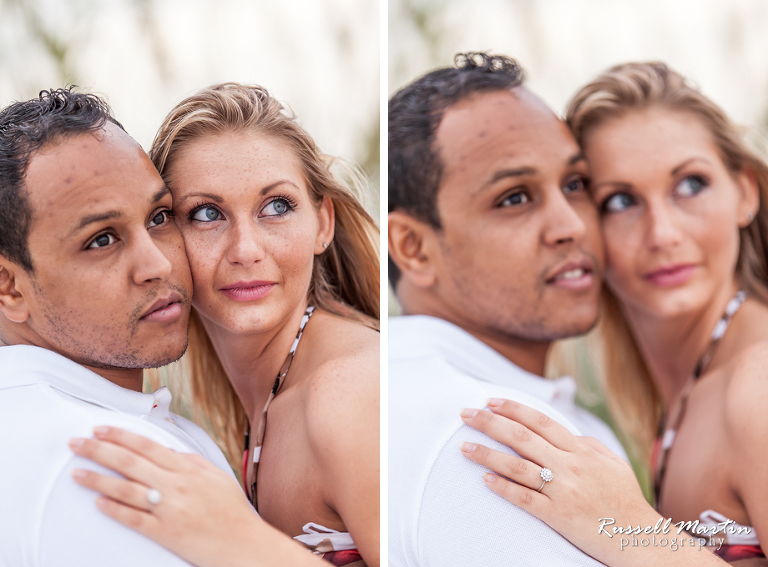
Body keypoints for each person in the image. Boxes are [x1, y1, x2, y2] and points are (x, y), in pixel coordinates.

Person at [460, 62, 768, 566]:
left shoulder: (758, 383)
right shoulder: (685, 397)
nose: (663, 233)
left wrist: (633, 531)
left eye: (690, 184)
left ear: (745, 193)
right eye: (620, 200)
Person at [0, 88, 323, 567]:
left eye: (159, 217)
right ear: (9, 287)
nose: (157, 264)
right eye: (101, 240)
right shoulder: (102, 464)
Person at [68, 83, 380, 567]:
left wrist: (242, 542)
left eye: (276, 206)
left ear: (323, 224)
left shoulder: (349, 392)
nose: (245, 250)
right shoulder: (256, 409)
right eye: (207, 214)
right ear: (162, 235)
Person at [387, 52, 629, 567]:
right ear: (412, 247)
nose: (573, 226)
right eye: (515, 197)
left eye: (575, 184)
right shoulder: (488, 434)